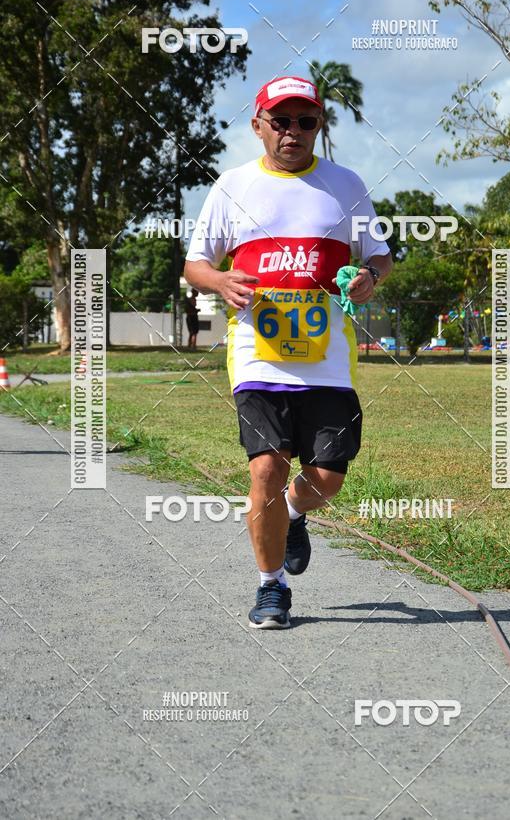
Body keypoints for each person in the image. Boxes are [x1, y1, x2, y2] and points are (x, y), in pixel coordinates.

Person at [184, 75, 392, 629]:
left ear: (318, 126)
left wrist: (369, 276)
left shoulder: (345, 184)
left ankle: (294, 514)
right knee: (266, 470)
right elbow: (195, 263)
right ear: (258, 126)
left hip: (328, 360)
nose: (293, 132)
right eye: (281, 121)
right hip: (259, 356)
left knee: (327, 477)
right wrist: (220, 281)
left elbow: (379, 255)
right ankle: (270, 588)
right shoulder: (231, 187)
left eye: (306, 121)